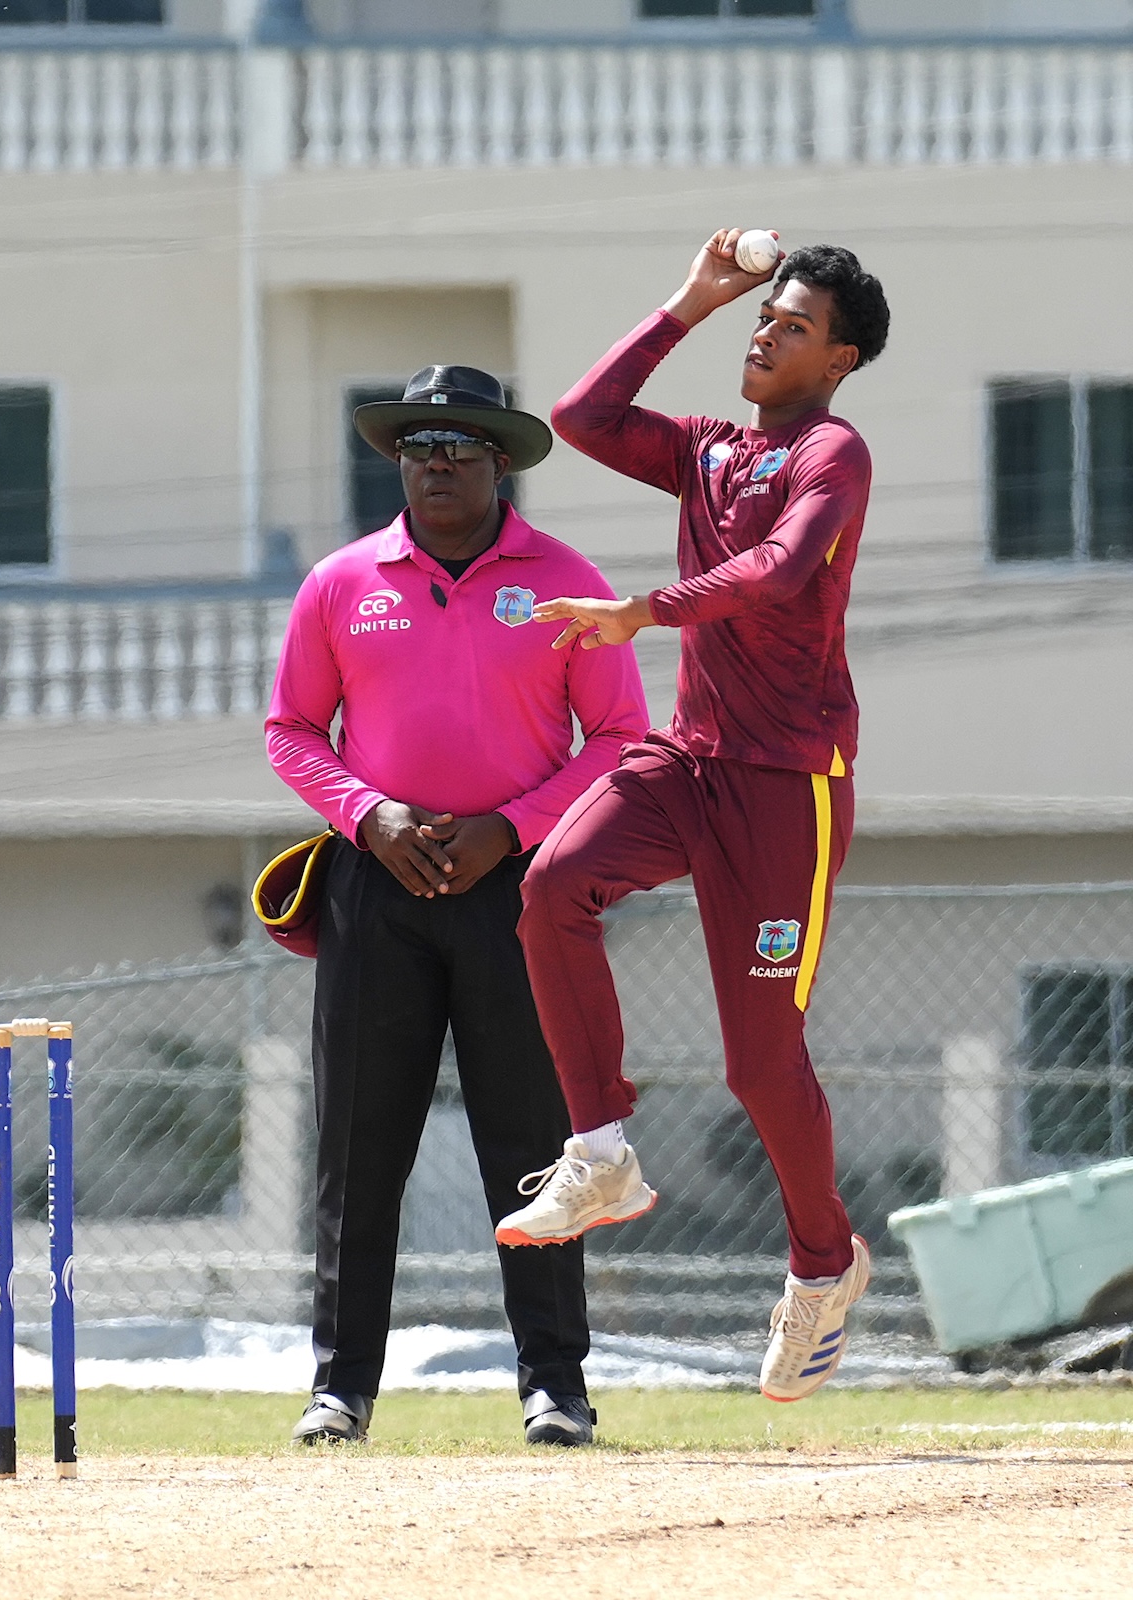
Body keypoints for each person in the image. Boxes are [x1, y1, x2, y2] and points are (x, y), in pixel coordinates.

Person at [495, 230, 891, 1403]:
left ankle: (822, 1266)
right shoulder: (708, 448)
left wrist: (643, 611)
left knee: (759, 1066)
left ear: (839, 360)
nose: (766, 332)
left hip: (785, 786)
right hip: (691, 759)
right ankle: (599, 1153)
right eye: (765, 315)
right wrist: (689, 302)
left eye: (792, 325)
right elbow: (578, 416)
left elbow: (779, 568)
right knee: (551, 885)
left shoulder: (832, 452)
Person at [266, 365, 649, 1444]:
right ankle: (340, 1388)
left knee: (533, 1145)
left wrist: (511, 828)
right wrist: (369, 815)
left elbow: (621, 738)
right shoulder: (341, 582)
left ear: (500, 463)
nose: (435, 465)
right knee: (359, 1146)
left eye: (459, 448)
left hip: (515, 893)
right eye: (417, 447)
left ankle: (554, 1387)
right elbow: (291, 729)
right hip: (374, 882)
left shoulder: (565, 580)